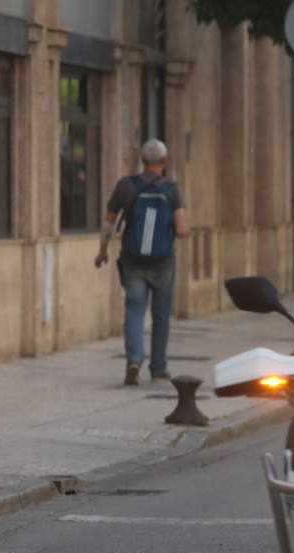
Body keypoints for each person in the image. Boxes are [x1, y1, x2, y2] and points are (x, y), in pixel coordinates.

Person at [94, 138, 188, 386]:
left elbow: (108, 223)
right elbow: (181, 229)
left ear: (142, 160)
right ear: (164, 162)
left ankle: (134, 361)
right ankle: (158, 369)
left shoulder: (126, 185)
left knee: (134, 310)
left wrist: (102, 251)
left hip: (133, 259)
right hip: (163, 262)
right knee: (160, 315)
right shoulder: (172, 189)